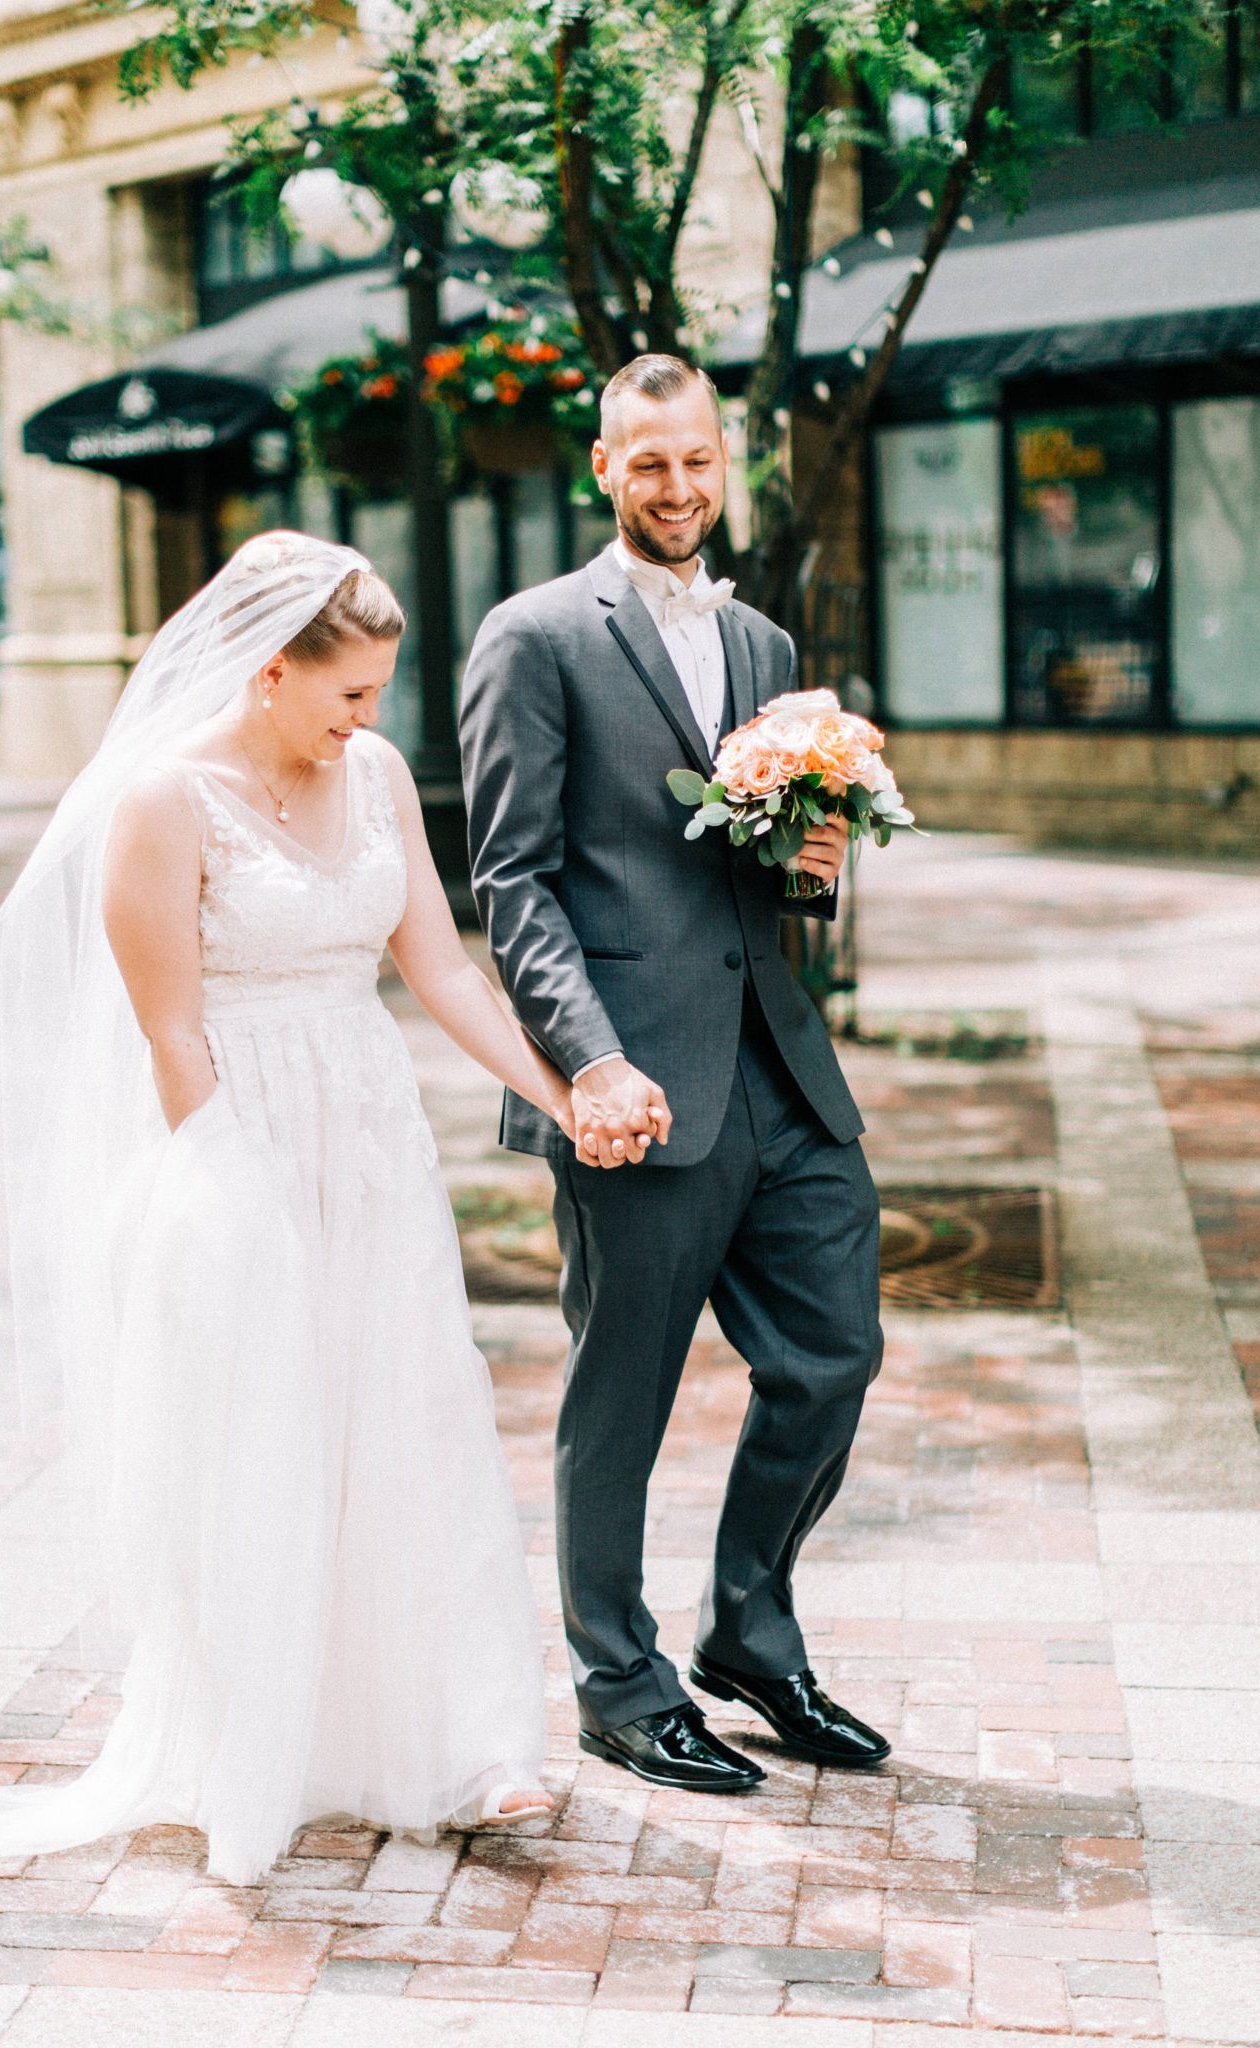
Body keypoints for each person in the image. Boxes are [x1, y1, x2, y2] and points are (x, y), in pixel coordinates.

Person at [0, 534, 556, 1884]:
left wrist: (563, 1089)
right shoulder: (164, 802)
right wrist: (234, 1199)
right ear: (268, 672)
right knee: (267, 1442)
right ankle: (270, 1745)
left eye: (377, 693)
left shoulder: (372, 781)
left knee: (416, 1410)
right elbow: (172, 1035)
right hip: (235, 1145)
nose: (370, 722)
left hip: (368, 1139)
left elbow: (443, 966)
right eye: (349, 694)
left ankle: (472, 1740)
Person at [459, 355, 889, 1794]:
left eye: (698, 460)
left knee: (833, 1355)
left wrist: (810, 868)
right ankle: (617, 1678)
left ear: (727, 460)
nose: (679, 488)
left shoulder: (765, 646)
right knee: (623, 1393)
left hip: (779, 1066)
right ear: (603, 468)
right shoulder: (533, 637)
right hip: (630, 1088)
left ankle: (751, 1634)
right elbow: (514, 881)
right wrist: (589, 1062)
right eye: (650, 464)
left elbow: (751, 865)